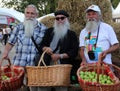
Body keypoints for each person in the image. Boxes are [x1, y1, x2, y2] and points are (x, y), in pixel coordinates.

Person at [2, 4, 47, 91]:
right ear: (25, 14)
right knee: (16, 86)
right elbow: (11, 42)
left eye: (32, 13)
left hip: (34, 64)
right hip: (19, 62)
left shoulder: (43, 29)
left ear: (36, 15)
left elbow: (45, 45)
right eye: (28, 13)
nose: (29, 16)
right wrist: (5, 52)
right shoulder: (18, 27)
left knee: (33, 86)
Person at [35, 10, 79, 91]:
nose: (60, 20)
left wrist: (60, 56)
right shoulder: (49, 31)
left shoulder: (71, 34)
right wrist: (46, 48)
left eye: (62, 18)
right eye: (57, 19)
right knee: (43, 87)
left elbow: (74, 51)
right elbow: (41, 45)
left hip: (62, 67)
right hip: (46, 64)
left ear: (66, 19)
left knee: (61, 88)